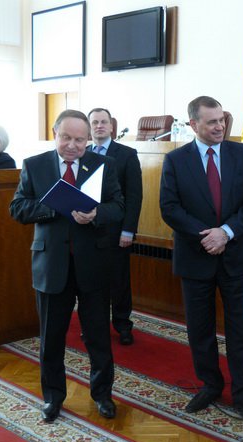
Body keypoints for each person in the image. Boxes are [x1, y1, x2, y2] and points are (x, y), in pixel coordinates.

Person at [9, 109, 124, 423]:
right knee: (51, 338)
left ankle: (102, 395)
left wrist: (96, 214)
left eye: (80, 140)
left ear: (88, 139)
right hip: (51, 265)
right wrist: (53, 206)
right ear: (54, 134)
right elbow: (17, 207)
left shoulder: (103, 164)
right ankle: (53, 398)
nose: (73, 146)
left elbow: (118, 206)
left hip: (93, 265)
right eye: (66, 138)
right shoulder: (35, 165)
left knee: (98, 337)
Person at [159, 96, 243, 420]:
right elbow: (169, 208)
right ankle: (211, 385)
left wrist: (226, 233)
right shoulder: (175, 160)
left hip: (236, 256)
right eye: (212, 122)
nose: (220, 126)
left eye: (222, 120)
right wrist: (207, 236)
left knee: (240, 330)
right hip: (196, 256)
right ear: (193, 124)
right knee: (200, 329)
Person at [87, 108, 143, 345]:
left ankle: (122, 325)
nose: (99, 126)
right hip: (88, 230)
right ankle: (95, 326)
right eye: (94, 122)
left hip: (116, 231)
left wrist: (128, 230)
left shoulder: (127, 155)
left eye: (103, 122)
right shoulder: (82, 153)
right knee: (91, 283)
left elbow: (134, 196)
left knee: (119, 282)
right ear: (89, 127)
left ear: (111, 127)